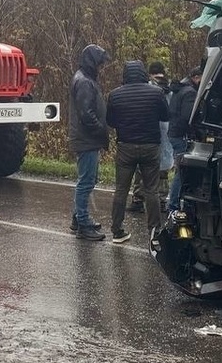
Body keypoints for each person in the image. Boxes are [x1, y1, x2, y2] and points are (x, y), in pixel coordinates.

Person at [105, 60, 169, 243]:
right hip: (150, 145)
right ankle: (155, 231)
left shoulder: (115, 95)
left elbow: (111, 121)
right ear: (143, 74)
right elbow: (165, 116)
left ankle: (117, 230)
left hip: (126, 145)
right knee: (152, 190)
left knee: (121, 189)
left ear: (125, 75)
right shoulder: (156, 92)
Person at [69, 44, 110, 240]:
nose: (102, 67)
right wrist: (101, 129)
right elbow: (86, 113)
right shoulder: (84, 81)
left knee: (88, 180)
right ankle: (83, 225)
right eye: (100, 63)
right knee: (86, 181)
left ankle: (79, 217)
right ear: (92, 62)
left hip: (87, 138)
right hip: (87, 139)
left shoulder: (85, 78)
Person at [129, 61, 172, 211]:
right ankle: (161, 200)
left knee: (142, 166)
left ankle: (138, 199)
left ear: (150, 73)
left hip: (146, 131)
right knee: (163, 170)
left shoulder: (146, 87)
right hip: (166, 131)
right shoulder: (170, 88)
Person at [167, 64, 202, 213]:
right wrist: (196, 132)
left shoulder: (180, 89)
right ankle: (174, 205)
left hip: (175, 134)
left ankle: (176, 203)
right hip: (182, 136)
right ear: (195, 77)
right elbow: (188, 118)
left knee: (180, 170)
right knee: (182, 173)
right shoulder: (190, 93)